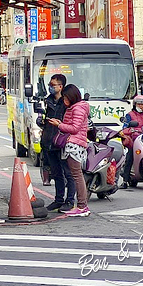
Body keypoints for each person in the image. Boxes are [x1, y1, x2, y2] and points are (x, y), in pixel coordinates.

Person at [48, 84, 91, 217]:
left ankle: (82, 206)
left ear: (71, 97)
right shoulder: (76, 107)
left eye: (66, 97)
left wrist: (59, 125)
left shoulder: (77, 108)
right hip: (75, 143)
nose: (64, 100)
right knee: (76, 175)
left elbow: (75, 128)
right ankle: (81, 205)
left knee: (76, 175)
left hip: (74, 144)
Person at [36, 73, 76, 212]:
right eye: (50, 85)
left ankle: (70, 200)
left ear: (61, 86)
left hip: (63, 142)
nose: (50, 88)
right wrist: (41, 121)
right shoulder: (48, 101)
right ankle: (59, 200)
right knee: (56, 173)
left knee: (68, 173)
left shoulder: (66, 103)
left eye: (53, 85)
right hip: (49, 141)